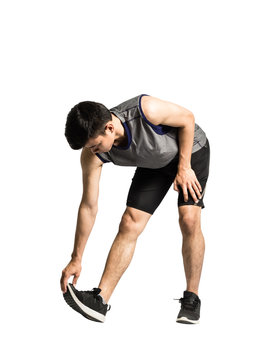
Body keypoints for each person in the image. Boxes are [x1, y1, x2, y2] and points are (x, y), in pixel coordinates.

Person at [60, 94, 210, 324]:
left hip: (189, 151)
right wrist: (76, 258)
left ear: (110, 128)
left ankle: (192, 298)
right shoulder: (92, 154)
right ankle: (100, 301)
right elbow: (88, 206)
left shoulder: (146, 110)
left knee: (188, 218)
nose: (93, 151)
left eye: (95, 145)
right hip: (154, 161)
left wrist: (184, 167)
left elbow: (188, 119)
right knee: (129, 222)